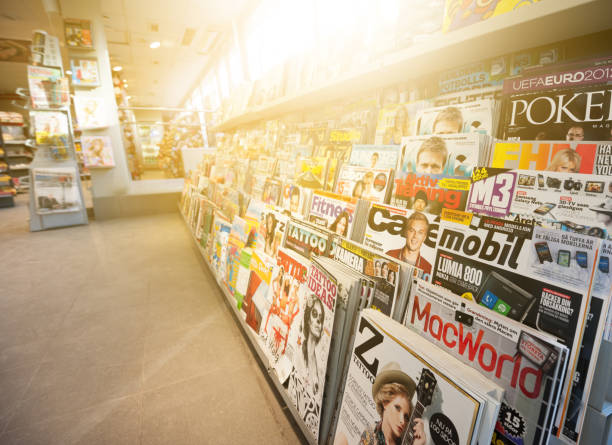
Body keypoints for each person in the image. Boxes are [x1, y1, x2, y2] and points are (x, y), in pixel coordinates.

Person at [359, 362, 426, 445]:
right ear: (385, 402)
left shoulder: (404, 440)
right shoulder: (370, 436)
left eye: (406, 417)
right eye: (397, 408)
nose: (402, 421)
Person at [297, 295, 325, 397]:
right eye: (314, 314)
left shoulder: (320, 362)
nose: (318, 321)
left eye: (321, 318)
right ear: (308, 319)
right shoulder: (299, 352)